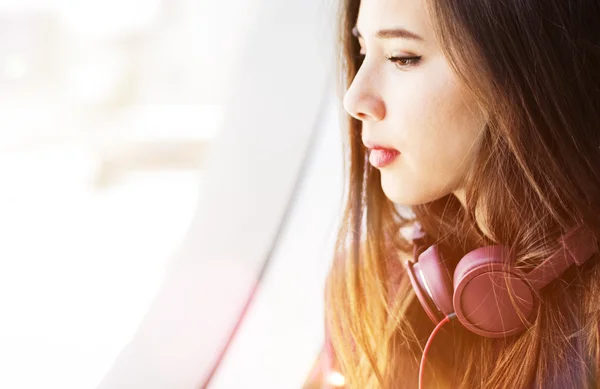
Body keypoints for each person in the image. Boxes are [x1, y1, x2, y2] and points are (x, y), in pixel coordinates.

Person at [303, 0, 600, 387]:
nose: (355, 99)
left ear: (521, 68)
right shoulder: (369, 289)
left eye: (402, 57)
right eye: (362, 52)